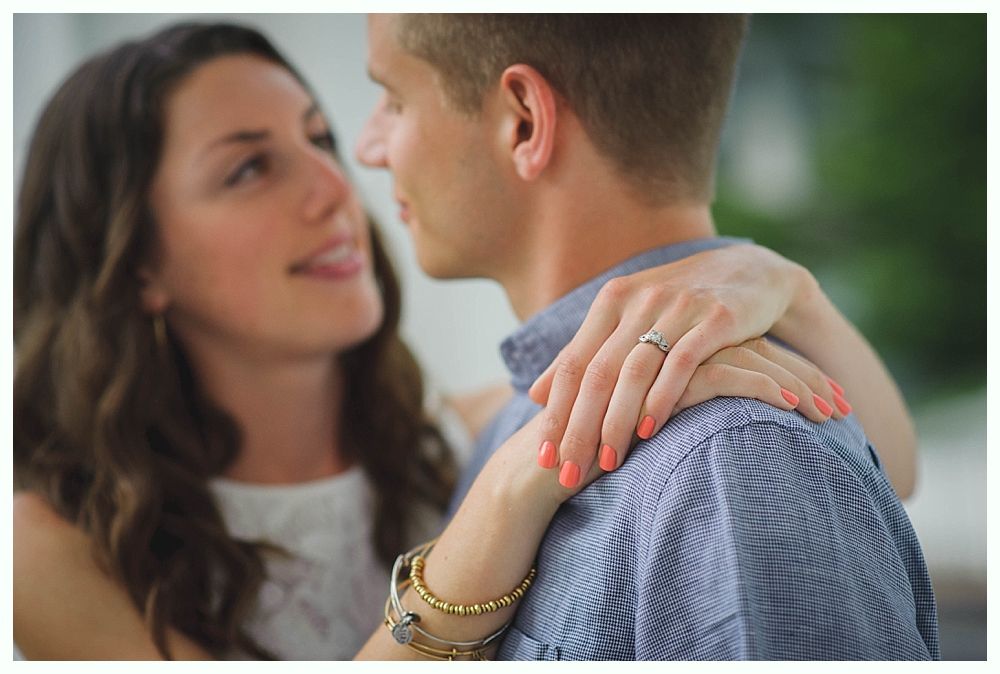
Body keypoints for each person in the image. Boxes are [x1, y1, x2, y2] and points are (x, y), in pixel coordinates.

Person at [11, 21, 867, 661]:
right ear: (134, 265)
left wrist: (777, 282)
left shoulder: (465, 437)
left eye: (319, 138)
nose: (339, 183)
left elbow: (870, 454)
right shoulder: (45, 557)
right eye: (249, 168)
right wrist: (495, 510)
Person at [353, 14, 938, 659]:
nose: (367, 146)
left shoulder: (730, 457)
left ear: (523, 120)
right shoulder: (511, 421)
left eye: (395, 100)